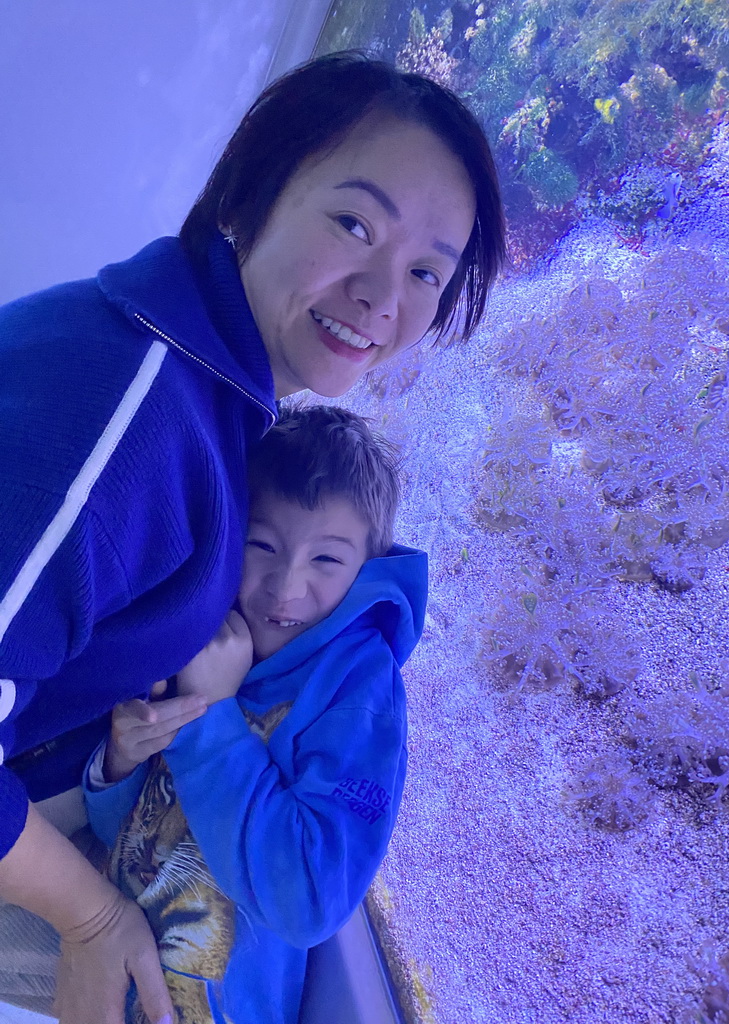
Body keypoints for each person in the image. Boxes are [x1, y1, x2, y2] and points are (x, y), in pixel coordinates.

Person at [0, 50, 505, 1024]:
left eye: (427, 272)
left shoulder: (217, 400)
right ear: (257, 187)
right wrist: (96, 920)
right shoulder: (138, 413)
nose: (380, 294)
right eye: (354, 222)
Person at [82, 405, 425, 1024]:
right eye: (262, 544)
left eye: (326, 560)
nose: (285, 585)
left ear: (367, 567)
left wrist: (215, 715)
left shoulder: (359, 690)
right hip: (109, 947)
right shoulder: (208, 628)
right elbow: (127, 838)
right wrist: (117, 765)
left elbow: (309, 903)